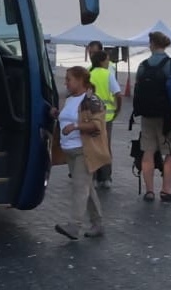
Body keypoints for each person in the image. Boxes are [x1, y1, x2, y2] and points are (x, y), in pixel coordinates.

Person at [134, 31, 171, 203]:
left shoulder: (143, 65)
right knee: (170, 153)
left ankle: (149, 191)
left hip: (147, 115)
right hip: (168, 118)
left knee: (148, 152)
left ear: (152, 44)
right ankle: (167, 189)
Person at [53, 65, 107, 240]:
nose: (66, 83)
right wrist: (57, 114)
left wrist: (75, 126)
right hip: (69, 150)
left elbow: (97, 125)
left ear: (80, 80)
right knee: (86, 187)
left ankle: (74, 226)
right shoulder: (70, 99)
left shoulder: (91, 100)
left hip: (83, 151)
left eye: (69, 79)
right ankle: (98, 223)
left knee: (79, 187)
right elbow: (67, 116)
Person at [88, 50, 123, 189]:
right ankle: (106, 177)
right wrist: (118, 109)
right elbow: (118, 94)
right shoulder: (108, 74)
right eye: (107, 59)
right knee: (105, 146)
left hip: (90, 115)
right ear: (102, 61)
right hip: (106, 117)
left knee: (92, 145)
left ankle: (93, 177)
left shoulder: (89, 73)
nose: (108, 62)